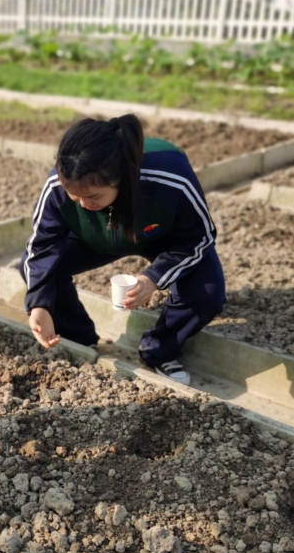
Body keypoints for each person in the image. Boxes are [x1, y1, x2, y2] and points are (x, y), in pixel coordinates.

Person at [21, 114, 226, 385]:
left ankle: (158, 350)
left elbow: (199, 237)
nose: (83, 205)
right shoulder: (60, 184)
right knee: (42, 272)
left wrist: (154, 277)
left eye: (93, 196)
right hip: (94, 237)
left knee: (207, 295)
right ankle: (80, 338)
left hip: (161, 235)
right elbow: (41, 248)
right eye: (74, 196)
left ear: (122, 177)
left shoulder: (170, 177)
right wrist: (39, 305)